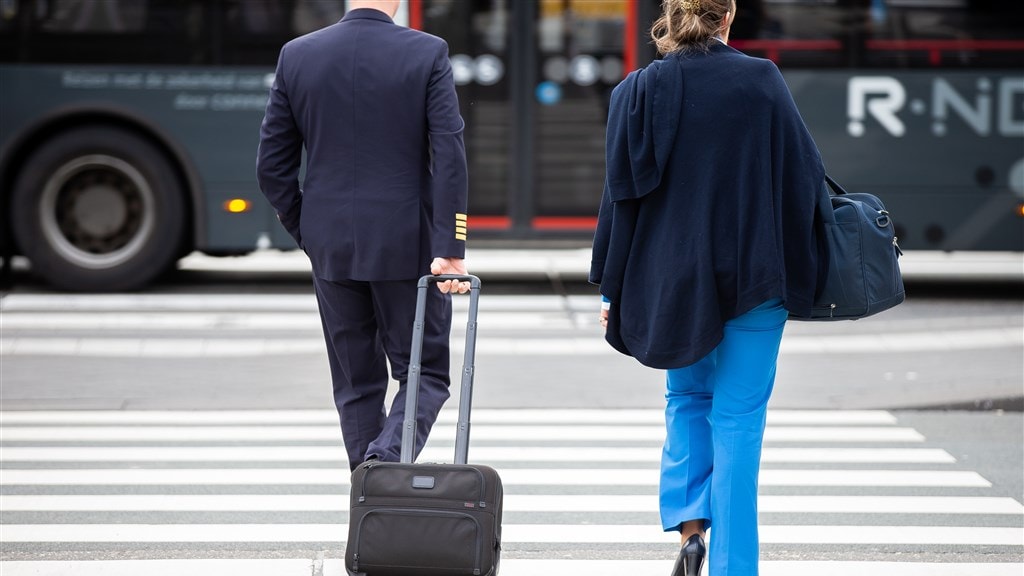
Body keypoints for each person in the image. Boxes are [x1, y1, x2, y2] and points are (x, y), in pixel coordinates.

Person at [590, 0, 825, 574]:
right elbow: (804, 179)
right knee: (739, 420)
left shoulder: (635, 93)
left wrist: (610, 290)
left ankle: (690, 531)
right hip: (754, 276)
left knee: (686, 399)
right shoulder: (760, 80)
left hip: (674, 284)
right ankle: (733, 566)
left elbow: (619, 204)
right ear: (730, 15)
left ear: (671, 16)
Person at [256, 0, 470, 472]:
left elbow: (271, 168)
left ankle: (367, 489)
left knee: (355, 383)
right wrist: (449, 247)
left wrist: (309, 230)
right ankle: (385, 462)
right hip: (406, 242)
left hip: (330, 243)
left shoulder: (297, 54)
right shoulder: (427, 52)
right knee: (425, 371)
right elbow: (449, 157)